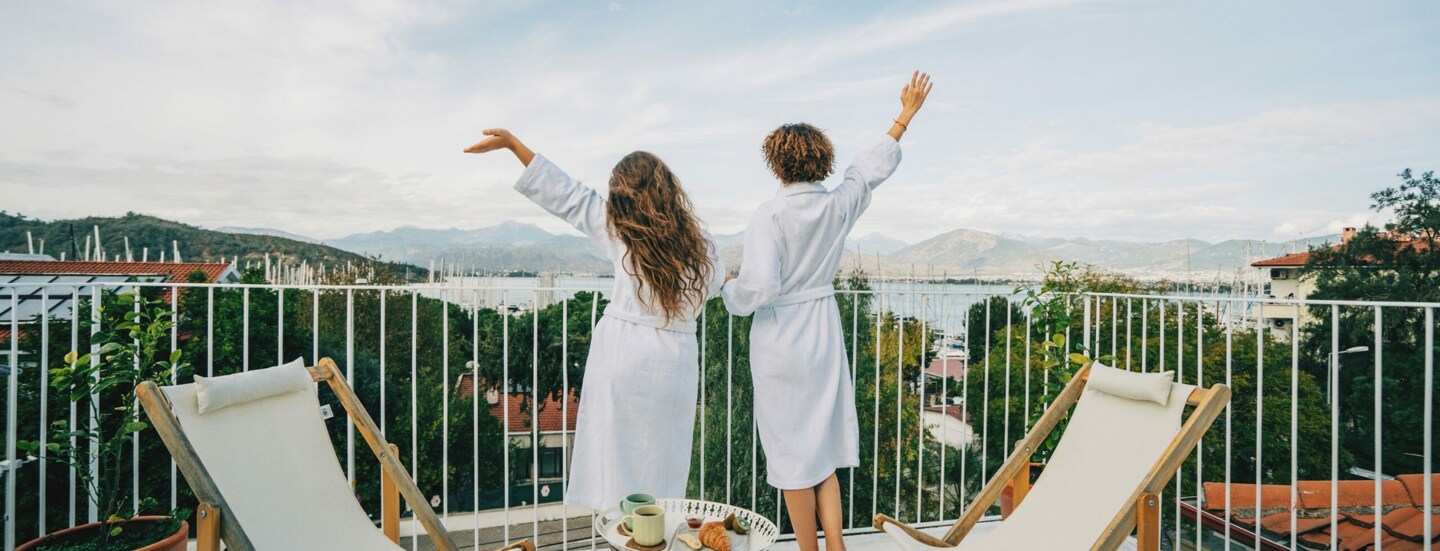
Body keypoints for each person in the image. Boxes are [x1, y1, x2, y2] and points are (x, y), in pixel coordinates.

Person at [720, 71, 933, 551]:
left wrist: (729, 289)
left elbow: (758, 289)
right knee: (821, 452)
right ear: (821, 161)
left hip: (780, 343)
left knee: (792, 455)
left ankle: (809, 549)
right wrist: (904, 115)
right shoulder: (838, 206)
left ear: (777, 167)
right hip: (822, 335)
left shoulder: (769, 215)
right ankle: (836, 546)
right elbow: (868, 169)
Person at [464, 129, 725, 511]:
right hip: (675, 367)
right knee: (665, 470)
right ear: (668, 189)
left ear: (622, 194)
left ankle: (624, 537)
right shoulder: (702, 245)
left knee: (617, 472)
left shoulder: (622, 233)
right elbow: (721, 285)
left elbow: (570, 197)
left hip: (624, 359)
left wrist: (513, 145)